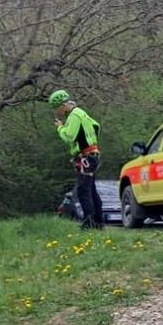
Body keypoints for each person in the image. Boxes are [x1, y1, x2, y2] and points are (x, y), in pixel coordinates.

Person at [49, 89, 103, 229]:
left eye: (56, 109)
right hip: (93, 154)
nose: (57, 112)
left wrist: (60, 127)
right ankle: (99, 222)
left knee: (83, 191)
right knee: (91, 190)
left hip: (85, 157)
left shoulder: (74, 115)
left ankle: (89, 222)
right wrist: (91, 140)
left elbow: (69, 137)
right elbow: (97, 125)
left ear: (62, 105)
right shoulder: (81, 112)